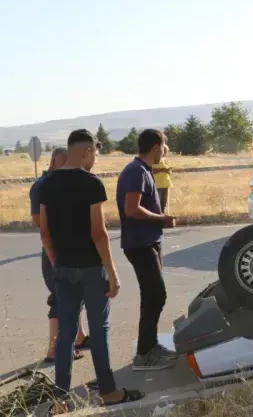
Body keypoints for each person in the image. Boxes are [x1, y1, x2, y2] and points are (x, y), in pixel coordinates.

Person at [38, 129, 144, 414]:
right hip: (91, 269)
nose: (95, 159)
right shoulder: (91, 184)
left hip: (63, 268)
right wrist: (112, 271)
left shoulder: (47, 184)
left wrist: (56, 261)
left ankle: (61, 400)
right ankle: (109, 391)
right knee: (99, 330)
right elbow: (99, 233)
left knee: (66, 335)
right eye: (95, 153)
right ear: (85, 152)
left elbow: (45, 233)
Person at [116, 129, 178, 371]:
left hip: (148, 241)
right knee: (156, 295)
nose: (166, 150)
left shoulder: (142, 170)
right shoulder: (135, 172)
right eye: (164, 145)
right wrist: (161, 218)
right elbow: (131, 209)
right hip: (139, 243)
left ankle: (149, 346)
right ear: (155, 147)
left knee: (152, 296)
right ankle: (144, 354)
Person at [30, 147, 91, 363]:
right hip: (54, 251)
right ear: (55, 162)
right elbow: (40, 223)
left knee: (75, 295)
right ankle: (54, 349)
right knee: (60, 297)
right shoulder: (42, 186)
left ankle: (79, 337)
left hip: (68, 249)